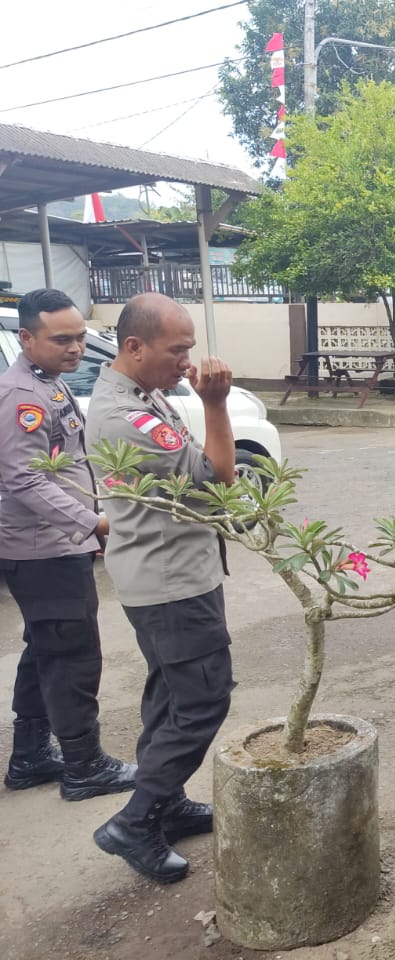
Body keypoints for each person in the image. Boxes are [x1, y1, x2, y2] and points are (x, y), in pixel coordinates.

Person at [86, 293, 237, 884]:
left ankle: (165, 801)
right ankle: (136, 821)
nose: (187, 362)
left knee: (171, 697)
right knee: (203, 699)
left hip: (167, 573)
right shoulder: (126, 416)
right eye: (177, 350)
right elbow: (217, 478)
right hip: (172, 582)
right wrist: (216, 404)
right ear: (134, 347)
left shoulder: (141, 395)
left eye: (189, 349)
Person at [0, 288, 137, 800]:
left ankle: (31, 757)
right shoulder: (22, 396)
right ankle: (84, 767)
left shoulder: (47, 382)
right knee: (72, 656)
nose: (76, 347)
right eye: (62, 339)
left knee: (45, 649)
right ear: (27, 337)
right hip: (44, 549)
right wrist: (92, 523)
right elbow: (23, 478)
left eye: (80, 337)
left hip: (55, 544)